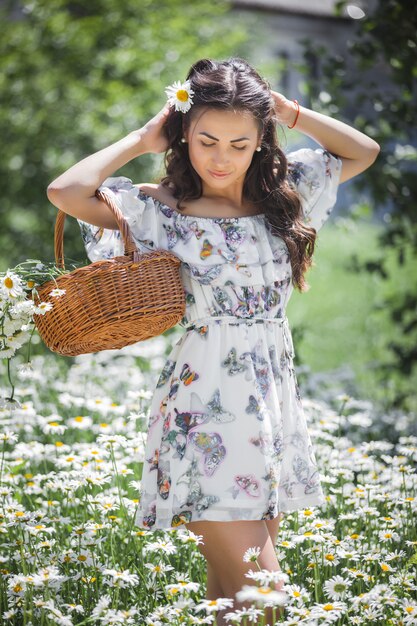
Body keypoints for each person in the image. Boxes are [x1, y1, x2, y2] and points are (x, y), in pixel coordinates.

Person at [47, 56, 380, 625]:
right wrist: (139, 138)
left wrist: (286, 109)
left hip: (270, 408)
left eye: (238, 143)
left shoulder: (286, 196)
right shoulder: (160, 212)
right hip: (204, 412)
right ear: (182, 135)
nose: (221, 158)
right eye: (205, 140)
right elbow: (66, 190)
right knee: (266, 593)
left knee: (235, 599)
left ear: (260, 141)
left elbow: (363, 151)